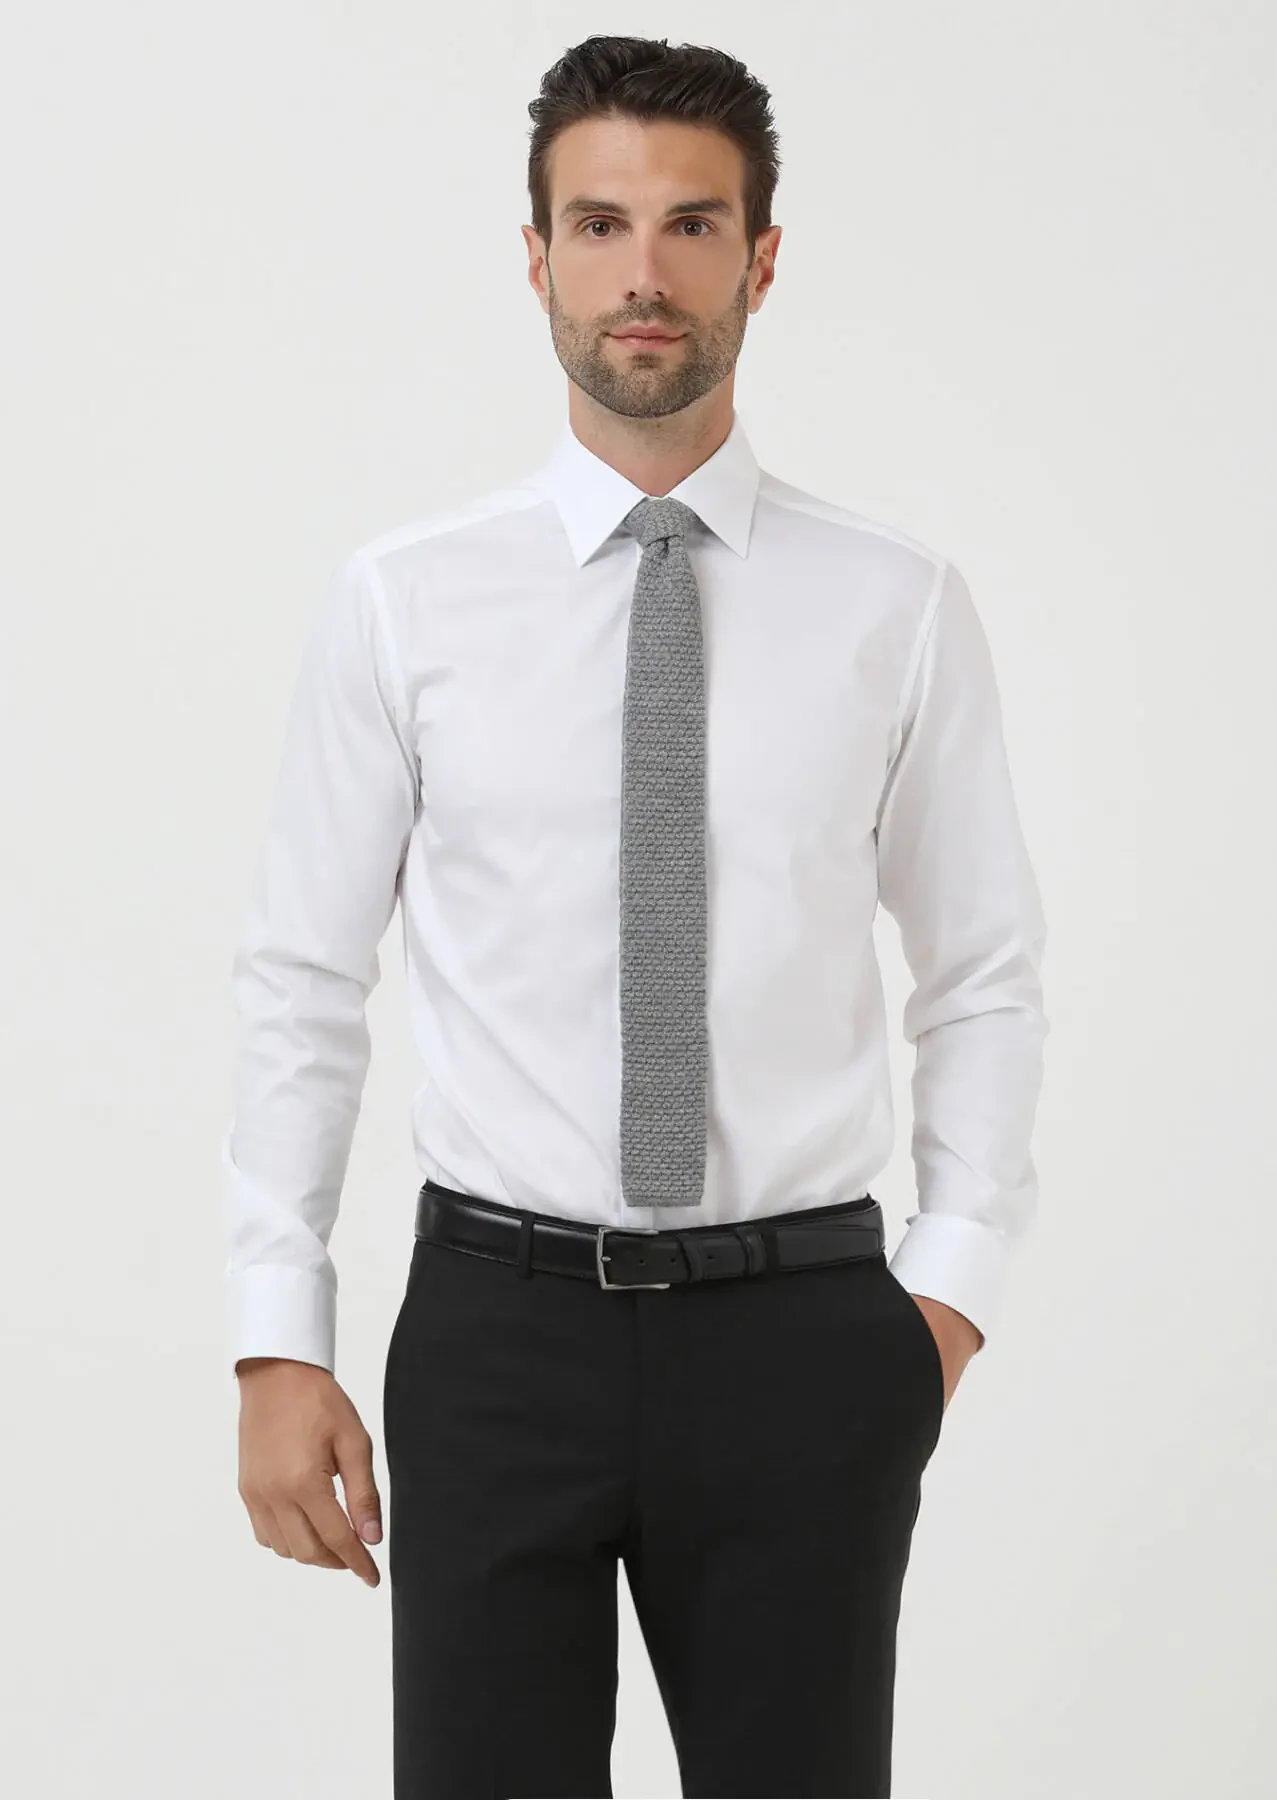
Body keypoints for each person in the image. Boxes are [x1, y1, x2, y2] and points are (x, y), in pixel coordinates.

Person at [223, 31, 1048, 1800]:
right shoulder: (405, 603)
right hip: (497, 1329)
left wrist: (946, 1301)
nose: (644, 274)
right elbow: (303, 977)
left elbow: (980, 973)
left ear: (763, 257)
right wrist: (278, 1335)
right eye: (598, 225)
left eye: (693, 225)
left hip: (804, 1332)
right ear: (536, 257)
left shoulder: (895, 605)